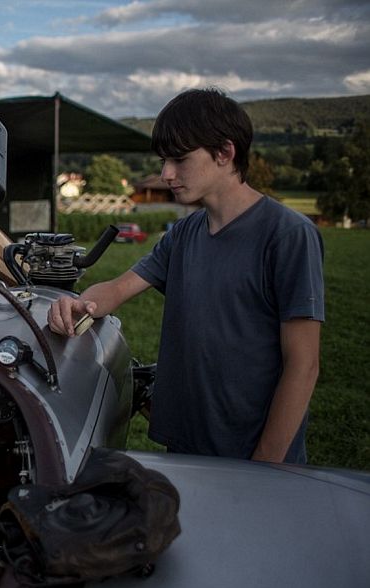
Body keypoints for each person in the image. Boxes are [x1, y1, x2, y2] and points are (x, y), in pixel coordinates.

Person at [47, 88, 324, 464]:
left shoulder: (288, 235)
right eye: (164, 160)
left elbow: (303, 365)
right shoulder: (183, 234)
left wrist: (266, 464)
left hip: (253, 455)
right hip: (188, 445)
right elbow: (117, 289)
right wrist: (77, 305)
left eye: (179, 159)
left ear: (225, 153)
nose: (166, 174)